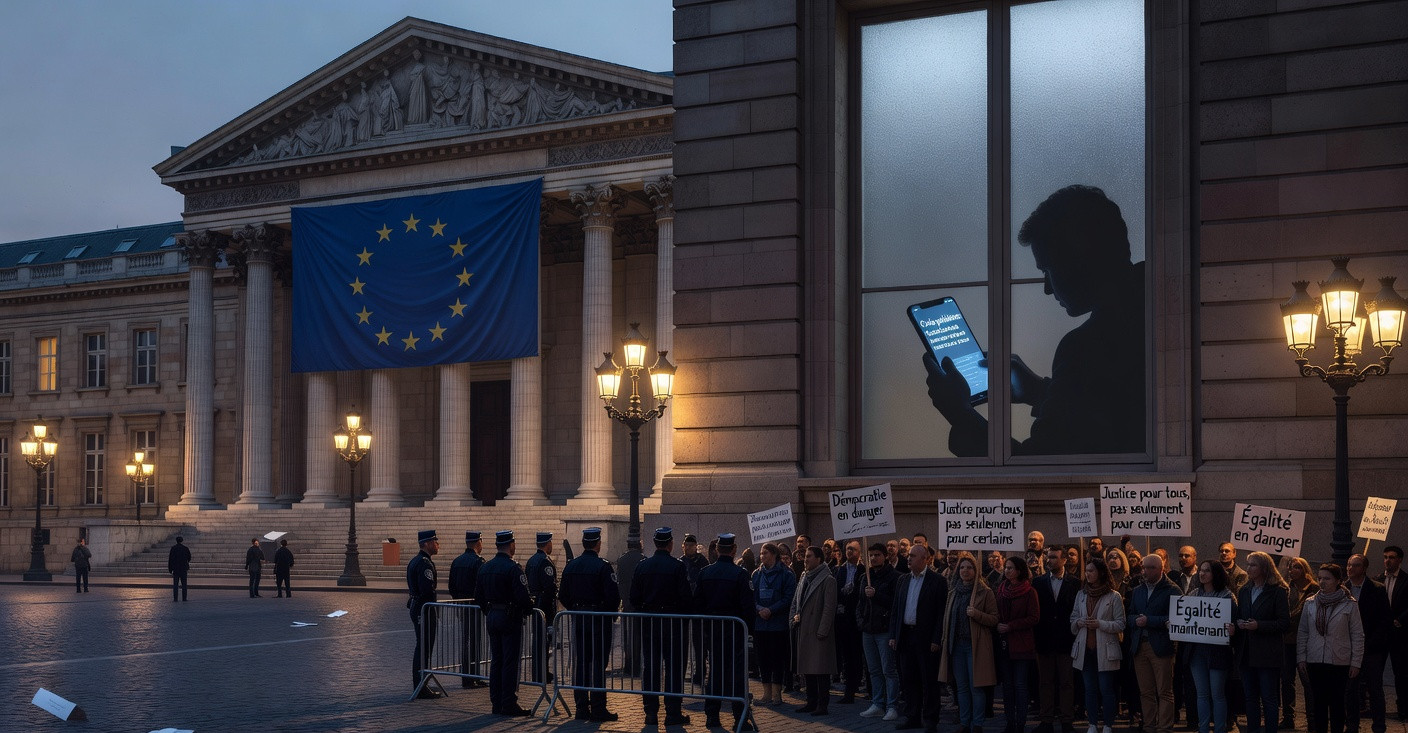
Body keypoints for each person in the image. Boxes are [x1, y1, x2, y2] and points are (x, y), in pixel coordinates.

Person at [924, 185, 1145, 457]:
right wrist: (1041, 391)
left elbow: (1038, 471)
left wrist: (959, 411)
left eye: (1048, 271)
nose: (1047, 289)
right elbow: (1107, 418)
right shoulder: (1153, 308)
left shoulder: (1087, 347)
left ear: (1080, 261)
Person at [630, 527, 692, 727]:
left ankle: (650, 712)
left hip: (650, 622)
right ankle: (672, 712)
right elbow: (685, 597)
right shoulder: (677, 566)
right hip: (673, 622)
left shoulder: (643, 566)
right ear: (670, 543)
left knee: (651, 667)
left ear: (655, 543)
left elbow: (634, 598)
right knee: (674, 667)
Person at [558, 527, 620, 723]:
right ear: (598, 543)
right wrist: (609, 614)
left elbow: (563, 595)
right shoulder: (603, 566)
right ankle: (599, 707)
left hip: (579, 618)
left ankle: (581, 707)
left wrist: (576, 608)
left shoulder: (572, 566)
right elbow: (613, 597)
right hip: (599, 620)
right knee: (599, 664)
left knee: (582, 663)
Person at [697, 533, 756, 731]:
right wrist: (749, 628)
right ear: (733, 550)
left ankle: (712, 716)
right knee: (737, 676)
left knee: (715, 673)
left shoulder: (705, 573)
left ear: (716, 549)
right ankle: (739, 717)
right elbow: (748, 607)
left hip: (713, 630)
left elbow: (698, 604)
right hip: (734, 630)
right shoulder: (740, 574)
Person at [1297, 563, 1364, 733]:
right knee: (1318, 702)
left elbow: (1357, 634)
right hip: (1315, 659)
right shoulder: (1311, 603)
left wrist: (1356, 662)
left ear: (1338, 581)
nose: (1322, 582)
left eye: (1327, 578)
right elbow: (1303, 631)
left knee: (1337, 703)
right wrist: (1301, 657)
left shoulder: (1349, 604)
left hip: (1339, 660)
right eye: (1319, 578)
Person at [890, 542, 949, 732]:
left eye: (913, 556)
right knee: (908, 679)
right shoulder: (903, 580)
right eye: (909, 555)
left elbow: (941, 614)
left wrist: (936, 639)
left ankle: (931, 718)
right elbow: (896, 611)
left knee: (929, 680)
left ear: (925, 559)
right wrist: (894, 635)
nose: (909, 558)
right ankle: (912, 716)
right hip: (906, 636)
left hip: (926, 638)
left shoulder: (937, 581)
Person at [474, 530, 532, 716]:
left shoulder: (486, 567)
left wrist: (489, 611)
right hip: (509, 617)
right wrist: (529, 609)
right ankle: (509, 702)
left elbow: (478, 596)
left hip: (492, 616)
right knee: (509, 661)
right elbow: (523, 597)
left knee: (496, 660)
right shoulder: (513, 568)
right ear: (511, 545)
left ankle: (496, 702)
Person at [1233, 551, 1291, 733]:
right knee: (1250, 697)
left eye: (1253, 565)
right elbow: (1240, 615)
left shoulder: (1277, 591)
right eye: (1248, 564)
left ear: (1264, 568)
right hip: (1247, 652)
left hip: (1267, 654)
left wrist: (1259, 625)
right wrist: (1238, 625)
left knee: (1268, 697)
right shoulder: (1244, 590)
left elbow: (1284, 623)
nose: (1248, 568)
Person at [940, 552, 998, 733]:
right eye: (962, 567)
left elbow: (994, 619)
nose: (965, 570)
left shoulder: (984, 592)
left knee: (976, 687)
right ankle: (965, 723)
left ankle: (977, 723)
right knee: (962, 687)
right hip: (956, 646)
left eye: (969, 567)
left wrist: (977, 615)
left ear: (976, 570)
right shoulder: (953, 592)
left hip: (976, 646)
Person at [1073, 557, 1126, 733]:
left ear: (1101, 573)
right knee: (1089, 689)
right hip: (1085, 649)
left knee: (1106, 689)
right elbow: (1072, 618)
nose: (1088, 574)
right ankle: (1092, 724)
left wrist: (1100, 624)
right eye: (1086, 571)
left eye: (1091, 571)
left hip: (1105, 649)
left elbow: (1120, 624)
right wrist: (1079, 622)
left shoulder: (1113, 596)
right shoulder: (1081, 594)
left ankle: (1108, 725)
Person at [1128, 553, 1180, 733]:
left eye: (1150, 568)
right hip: (1140, 646)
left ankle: (1164, 727)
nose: (1145, 571)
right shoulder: (1138, 590)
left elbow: (1175, 618)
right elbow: (1130, 615)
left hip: (1161, 646)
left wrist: (1150, 621)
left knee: (1164, 691)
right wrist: (1136, 620)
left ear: (1161, 569)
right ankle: (1149, 726)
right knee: (1146, 691)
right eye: (1144, 567)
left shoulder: (1172, 590)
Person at [1186, 561, 1237, 733]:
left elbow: (1234, 621)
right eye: (1201, 570)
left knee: (1217, 694)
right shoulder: (1193, 594)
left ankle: (1220, 729)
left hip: (1218, 651)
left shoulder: (1227, 596)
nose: (1202, 574)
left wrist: (1233, 629)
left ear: (1216, 574)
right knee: (1201, 694)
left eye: (1207, 571)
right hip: (1197, 651)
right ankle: (1203, 728)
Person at [1035, 545, 1079, 733]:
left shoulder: (1076, 583)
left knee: (1066, 682)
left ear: (1064, 560)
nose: (1049, 560)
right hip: (1044, 640)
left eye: (1053, 557)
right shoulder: (1038, 582)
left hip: (1066, 640)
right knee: (1045, 682)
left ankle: (1066, 720)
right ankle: (1046, 720)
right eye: (1048, 557)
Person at [1345, 553, 1389, 733]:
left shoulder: (1377, 589)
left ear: (1363, 569)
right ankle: (1352, 725)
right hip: (1349, 648)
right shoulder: (1343, 589)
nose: (1350, 568)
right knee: (1351, 689)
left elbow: (1384, 620)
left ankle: (1379, 725)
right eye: (1348, 565)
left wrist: (1370, 644)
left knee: (1375, 689)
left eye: (1355, 565)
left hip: (1371, 648)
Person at [793, 544, 838, 716]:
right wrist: (795, 617)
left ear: (819, 559)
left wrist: (823, 630)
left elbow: (829, 608)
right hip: (805, 628)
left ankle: (822, 704)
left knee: (820, 670)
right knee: (808, 669)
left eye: (809, 556)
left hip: (818, 631)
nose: (806, 559)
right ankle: (810, 702)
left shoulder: (828, 580)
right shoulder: (804, 577)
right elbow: (798, 600)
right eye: (805, 556)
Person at [997, 555, 1040, 733]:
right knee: (1007, 686)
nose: (1007, 571)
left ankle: (1020, 724)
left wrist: (1011, 626)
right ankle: (1010, 722)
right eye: (1006, 567)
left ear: (1019, 571)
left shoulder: (1030, 591)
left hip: (1022, 644)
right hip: (1004, 645)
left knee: (1020, 685)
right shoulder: (1000, 589)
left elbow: (1034, 618)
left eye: (1010, 568)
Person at [858, 541, 900, 721]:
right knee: (873, 670)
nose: (874, 558)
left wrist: (876, 595)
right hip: (868, 630)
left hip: (884, 630)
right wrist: (861, 622)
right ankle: (878, 703)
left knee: (888, 670)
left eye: (877, 555)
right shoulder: (864, 577)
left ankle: (892, 706)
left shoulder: (895, 577)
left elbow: (895, 604)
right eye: (871, 555)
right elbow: (859, 604)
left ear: (885, 557)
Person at [753, 541, 797, 706]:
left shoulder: (787, 573)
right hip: (760, 624)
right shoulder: (756, 574)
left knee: (777, 659)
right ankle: (766, 693)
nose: (762, 556)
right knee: (763, 659)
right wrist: (759, 609)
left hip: (778, 624)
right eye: (761, 553)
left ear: (774, 555)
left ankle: (777, 694)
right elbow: (753, 596)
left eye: (765, 553)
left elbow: (788, 597)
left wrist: (771, 610)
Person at [406, 529, 442, 699]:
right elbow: (428, 590)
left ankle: (421, 683)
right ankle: (421, 685)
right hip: (424, 609)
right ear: (427, 543)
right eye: (435, 541)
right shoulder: (424, 563)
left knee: (422, 646)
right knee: (424, 647)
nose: (438, 544)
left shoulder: (415, 560)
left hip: (417, 606)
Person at [448, 531, 485, 688]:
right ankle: (472, 676)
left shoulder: (456, 561)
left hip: (462, 604)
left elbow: (451, 586)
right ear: (479, 542)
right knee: (474, 642)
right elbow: (482, 586)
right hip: (474, 605)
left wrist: (458, 599)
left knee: (466, 641)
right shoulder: (478, 562)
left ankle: (467, 675)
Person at [1283, 557, 1316, 729]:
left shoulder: (1314, 589)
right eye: (1290, 567)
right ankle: (1288, 716)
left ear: (1304, 569)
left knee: (1308, 681)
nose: (1292, 570)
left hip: (1306, 641)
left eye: (1296, 567)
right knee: (1287, 680)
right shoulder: (1287, 588)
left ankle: (1312, 718)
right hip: (1287, 641)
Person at [833, 539, 865, 704]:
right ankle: (848, 690)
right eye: (847, 549)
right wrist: (841, 595)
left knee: (857, 655)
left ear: (859, 552)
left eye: (853, 549)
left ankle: (857, 685)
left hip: (857, 619)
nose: (849, 552)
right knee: (846, 655)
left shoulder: (864, 569)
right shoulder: (840, 570)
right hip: (843, 618)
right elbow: (835, 590)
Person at [524, 531, 557, 685]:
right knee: (544, 641)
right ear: (547, 543)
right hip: (544, 606)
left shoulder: (531, 560)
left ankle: (539, 671)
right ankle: (541, 673)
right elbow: (549, 587)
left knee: (538, 641)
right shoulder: (545, 561)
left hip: (535, 604)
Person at [1380, 546, 1408, 721]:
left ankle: (1403, 708)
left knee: (1402, 672)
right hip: (1382, 633)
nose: (1387, 560)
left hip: (1400, 633)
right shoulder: (1378, 579)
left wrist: (1401, 620)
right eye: (1385, 557)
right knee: (1375, 671)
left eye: (1391, 557)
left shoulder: (1406, 580)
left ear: (1399, 560)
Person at [681, 532, 710, 685]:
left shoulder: (702, 562)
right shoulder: (680, 562)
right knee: (682, 641)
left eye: (691, 545)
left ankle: (700, 672)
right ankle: (683, 671)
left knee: (700, 643)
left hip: (699, 606)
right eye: (686, 545)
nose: (688, 548)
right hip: (685, 606)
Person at [168, 535, 191, 602]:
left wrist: (170, 569)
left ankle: (175, 598)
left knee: (175, 584)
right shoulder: (185, 548)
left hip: (176, 568)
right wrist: (186, 562)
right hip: (183, 568)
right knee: (184, 584)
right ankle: (184, 598)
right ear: (182, 541)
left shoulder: (173, 548)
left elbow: (170, 559)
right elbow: (189, 557)